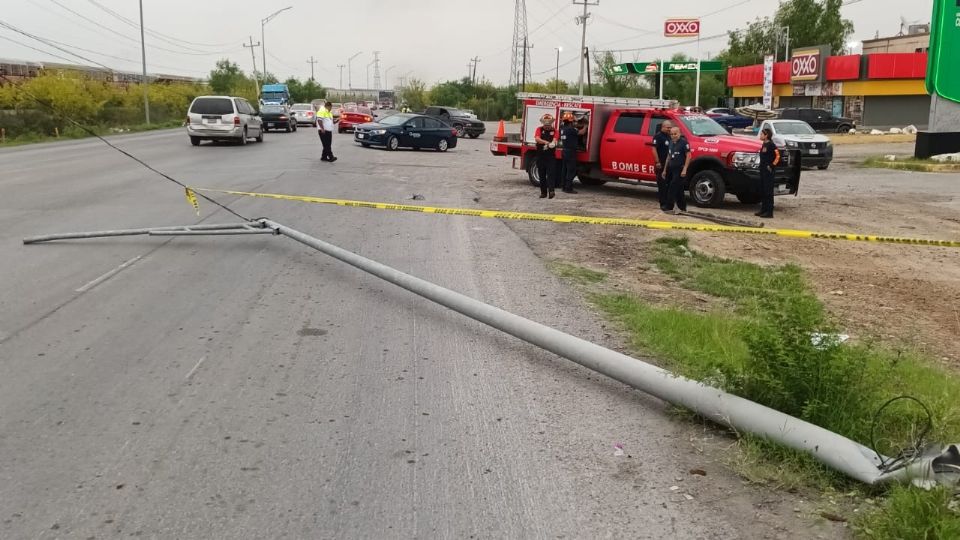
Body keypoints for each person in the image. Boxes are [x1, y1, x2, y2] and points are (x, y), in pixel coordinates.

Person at [662, 126, 691, 213]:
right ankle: (682, 207)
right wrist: (664, 170)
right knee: (679, 190)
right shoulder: (671, 142)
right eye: (671, 134)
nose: (673, 136)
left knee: (672, 187)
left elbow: (689, 156)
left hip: (680, 169)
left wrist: (685, 169)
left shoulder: (684, 142)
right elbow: (669, 156)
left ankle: (669, 206)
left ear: (679, 133)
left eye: (675, 134)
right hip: (672, 169)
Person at [756, 127, 781, 218]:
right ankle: (763, 209)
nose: (760, 135)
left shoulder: (771, 145)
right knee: (763, 190)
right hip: (762, 170)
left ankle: (769, 212)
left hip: (768, 171)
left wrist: (771, 166)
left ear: (766, 136)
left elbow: (777, 156)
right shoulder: (764, 144)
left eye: (762, 134)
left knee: (768, 192)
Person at [533, 113, 557, 199]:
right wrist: (546, 142)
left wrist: (553, 143)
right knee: (541, 175)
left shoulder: (555, 131)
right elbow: (537, 139)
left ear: (551, 124)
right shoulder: (539, 129)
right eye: (546, 125)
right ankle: (543, 192)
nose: (547, 126)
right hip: (540, 156)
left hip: (550, 156)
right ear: (543, 124)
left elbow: (555, 139)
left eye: (549, 125)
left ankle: (551, 191)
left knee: (551, 174)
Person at [652, 120, 674, 212]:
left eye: (670, 127)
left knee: (669, 184)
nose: (669, 129)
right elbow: (653, 149)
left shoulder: (669, 136)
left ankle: (669, 204)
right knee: (662, 185)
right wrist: (657, 162)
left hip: (669, 165)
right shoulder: (658, 136)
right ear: (663, 127)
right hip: (661, 164)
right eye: (667, 127)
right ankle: (663, 204)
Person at [558, 112, 579, 194]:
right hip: (571, 152)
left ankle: (563, 186)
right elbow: (581, 132)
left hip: (564, 151)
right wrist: (586, 126)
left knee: (564, 169)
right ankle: (568, 188)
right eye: (573, 121)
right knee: (571, 170)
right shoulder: (571, 130)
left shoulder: (562, 129)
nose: (574, 122)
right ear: (570, 122)